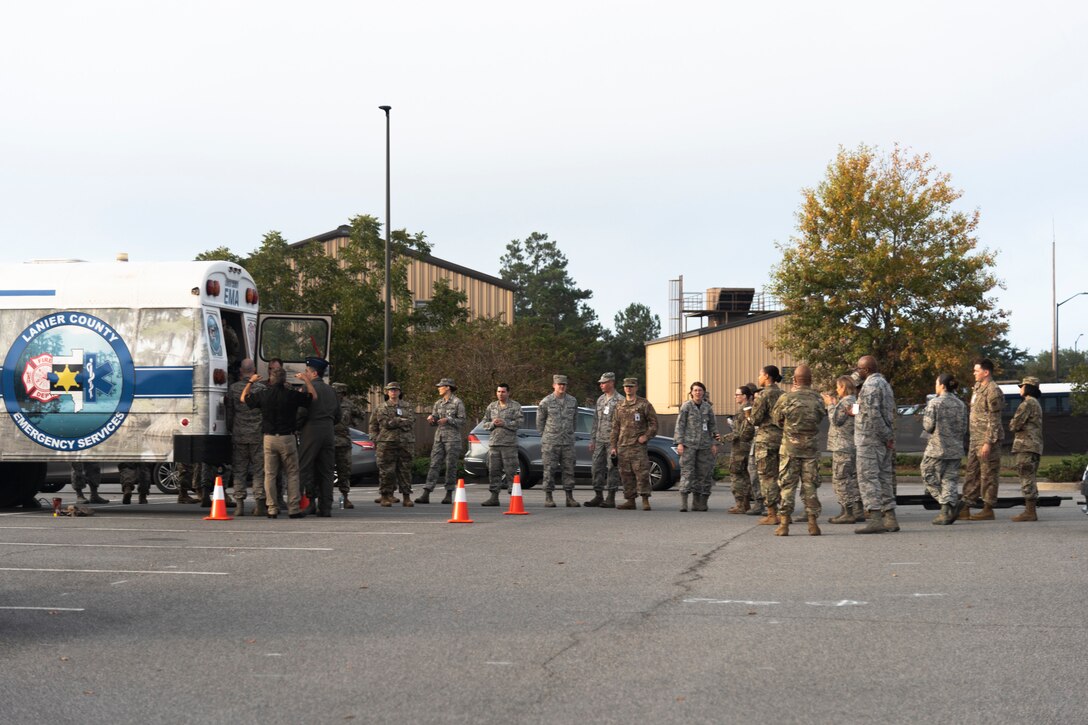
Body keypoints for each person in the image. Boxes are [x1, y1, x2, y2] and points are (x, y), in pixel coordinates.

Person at [242, 366, 315, 518]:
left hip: (269, 438)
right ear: (285, 380)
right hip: (287, 437)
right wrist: (306, 380)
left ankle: (272, 509)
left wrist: (251, 382)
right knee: (292, 473)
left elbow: (244, 398)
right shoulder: (291, 395)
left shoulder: (263, 395)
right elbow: (313, 397)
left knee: (270, 474)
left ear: (270, 379)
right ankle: (293, 508)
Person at [770, 365, 827, 536]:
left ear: (794, 380)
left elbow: (776, 419)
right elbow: (819, 417)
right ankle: (813, 524)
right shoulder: (818, 399)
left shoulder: (786, 398)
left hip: (790, 449)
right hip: (811, 449)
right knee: (810, 486)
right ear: (811, 380)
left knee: (787, 486)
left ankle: (784, 525)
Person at [852, 355, 898, 534]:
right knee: (884, 477)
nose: (858, 372)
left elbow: (873, 415)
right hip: (882, 440)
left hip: (870, 440)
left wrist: (885, 435)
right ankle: (890, 517)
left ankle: (876, 518)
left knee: (868, 478)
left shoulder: (870, 386)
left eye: (859, 369)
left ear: (866, 370)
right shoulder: (884, 384)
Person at [920, 373, 968, 525]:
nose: (935, 386)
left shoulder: (935, 403)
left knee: (927, 473)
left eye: (936, 383)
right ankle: (947, 510)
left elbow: (928, 426)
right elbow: (965, 428)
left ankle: (945, 504)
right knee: (950, 479)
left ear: (942, 385)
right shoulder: (961, 405)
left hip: (937, 448)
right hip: (955, 448)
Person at [962, 358, 1004, 521]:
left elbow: (994, 419)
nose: (974, 373)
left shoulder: (993, 391)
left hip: (988, 440)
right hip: (975, 439)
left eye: (976, 370)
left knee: (988, 474)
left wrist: (988, 443)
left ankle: (988, 509)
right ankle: (965, 507)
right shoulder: (978, 388)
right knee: (971, 473)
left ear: (986, 372)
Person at [297, 357, 339, 517]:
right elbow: (338, 415)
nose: (305, 373)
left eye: (307, 371)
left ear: (313, 373)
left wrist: (297, 426)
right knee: (326, 471)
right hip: (328, 431)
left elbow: (302, 411)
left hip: (311, 429)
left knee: (304, 467)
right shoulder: (331, 390)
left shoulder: (307, 388)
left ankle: (301, 503)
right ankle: (326, 506)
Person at [610, 377, 659, 510]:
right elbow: (615, 427)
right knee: (625, 474)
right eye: (626, 386)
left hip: (638, 446)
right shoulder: (619, 405)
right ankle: (630, 500)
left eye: (631, 386)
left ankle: (645, 500)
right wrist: (613, 446)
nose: (628, 388)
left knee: (642, 473)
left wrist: (646, 436)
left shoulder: (644, 404)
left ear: (636, 387)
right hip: (623, 445)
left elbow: (654, 424)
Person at [226, 358, 266, 516]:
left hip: (239, 434)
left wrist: (231, 428)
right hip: (257, 435)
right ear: (254, 369)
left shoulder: (233, 388)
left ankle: (239, 505)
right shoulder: (262, 388)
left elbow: (230, 412)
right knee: (258, 471)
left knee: (239, 471)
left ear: (241, 371)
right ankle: (259, 504)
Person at [418, 378, 466, 505]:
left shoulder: (457, 402)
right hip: (439, 438)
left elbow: (462, 421)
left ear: (448, 387)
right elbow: (435, 420)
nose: (439, 388)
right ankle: (426, 493)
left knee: (451, 466)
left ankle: (449, 494)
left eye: (441, 386)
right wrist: (432, 419)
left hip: (452, 439)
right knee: (434, 464)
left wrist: (448, 420)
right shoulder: (438, 403)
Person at [369, 382, 416, 507]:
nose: (393, 392)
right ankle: (385, 495)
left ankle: (406, 497)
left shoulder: (407, 406)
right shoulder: (381, 407)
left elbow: (411, 421)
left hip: (406, 442)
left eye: (396, 390)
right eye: (391, 390)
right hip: (386, 442)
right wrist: (400, 420)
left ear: (400, 392)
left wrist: (394, 421)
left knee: (405, 470)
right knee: (386, 471)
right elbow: (383, 423)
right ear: (387, 392)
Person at [674, 381, 719, 512]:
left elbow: (713, 427)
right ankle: (684, 502)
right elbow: (680, 425)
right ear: (691, 392)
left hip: (705, 446)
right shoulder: (686, 406)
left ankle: (699, 502)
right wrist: (679, 443)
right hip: (689, 445)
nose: (698, 393)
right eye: (695, 390)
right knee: (687, 473)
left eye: (700, 390)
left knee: (704, 473)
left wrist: (715, 443)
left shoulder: (707, 408)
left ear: (703, 392)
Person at [823, 375, 863, 524]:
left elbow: (836, 421)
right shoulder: (855, 401)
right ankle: (856, 510)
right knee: (852, 479)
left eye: (838, 387)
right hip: (852, 445)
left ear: (844, 387)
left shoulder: (845, 402)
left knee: (841, 480)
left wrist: (830, 405)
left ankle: (848, 512)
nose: (836, 389)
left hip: (842, 446)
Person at [750, 365, 784, 525]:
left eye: (760, 374)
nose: (759, 378)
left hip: (766, 440)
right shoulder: (784, 395)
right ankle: (784, 512)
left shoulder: (764, 395)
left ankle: (772, 514)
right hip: (782, 439)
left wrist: (749, 415)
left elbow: (756, 419)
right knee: (781, 476)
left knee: (767, 477)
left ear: (767, 376)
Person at [1008, 376, 1044, 522]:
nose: (1020, 389)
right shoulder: (1036, 404)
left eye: (1022, 386)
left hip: (1025, 445)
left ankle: (1030, 512)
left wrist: (1012, 422)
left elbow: (1014, 425)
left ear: (1028, 388)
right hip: (1035, 445)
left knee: (1026, 476)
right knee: (1030, 476)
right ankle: (1031, 509)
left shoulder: (1027, 404)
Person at [481, 383, 523, 506]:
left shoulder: (515, 406)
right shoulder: (492, 406)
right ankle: (494, 497)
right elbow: (484, 423)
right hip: (494, 444)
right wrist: (493, 424)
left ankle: (514, 498)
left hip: (509, 445)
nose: (500, 394)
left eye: (503, 392)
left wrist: (504, 423)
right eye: (499, 392)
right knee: (494, 471)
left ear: (508, 393)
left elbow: (520, 423)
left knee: (511, 472)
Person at [587, 372, 624, 508]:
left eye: (604, 383)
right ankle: (598, 495)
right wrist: (593, 439)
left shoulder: (620, 400)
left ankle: (611, 497)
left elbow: (622, 423)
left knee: (612, 468)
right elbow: (595, 421)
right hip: (599, 440)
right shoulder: (600, 400)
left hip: (612, 441)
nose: (601, 385)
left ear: (611, 383)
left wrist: (617, 443)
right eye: (601, 383)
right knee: (596, 467)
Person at [724, 384, 756, 514]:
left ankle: (741, 505)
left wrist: (722, 438)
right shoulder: (750, 409)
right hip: (747, 447)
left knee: (737, 475)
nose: (735, 397)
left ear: (744, 396)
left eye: (737, 394)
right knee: (744, 475)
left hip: (740, 448)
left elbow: (739, 432)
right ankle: (746, 503)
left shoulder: (743, 410)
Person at [331, 382, 359, 509]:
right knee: (326, 471)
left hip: (343, 441)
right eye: (336, 393)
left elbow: (360, 415)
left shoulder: (348, 405)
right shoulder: (327, 402)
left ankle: (345, 497)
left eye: (340, 393)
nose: (338, 396)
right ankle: (326, 498)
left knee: (344, 470)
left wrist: (352, 422)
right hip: (328, 440)